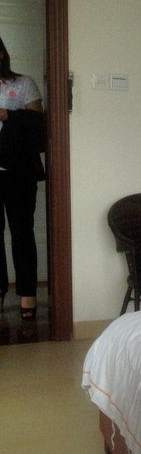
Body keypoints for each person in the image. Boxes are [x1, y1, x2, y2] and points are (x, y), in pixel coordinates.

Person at [0, 35, 45, 320]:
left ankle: (28, 293)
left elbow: (38, 124)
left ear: (1, 54)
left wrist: (7, 115)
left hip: (19, 172)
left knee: (22, 232)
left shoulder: (23, 83)